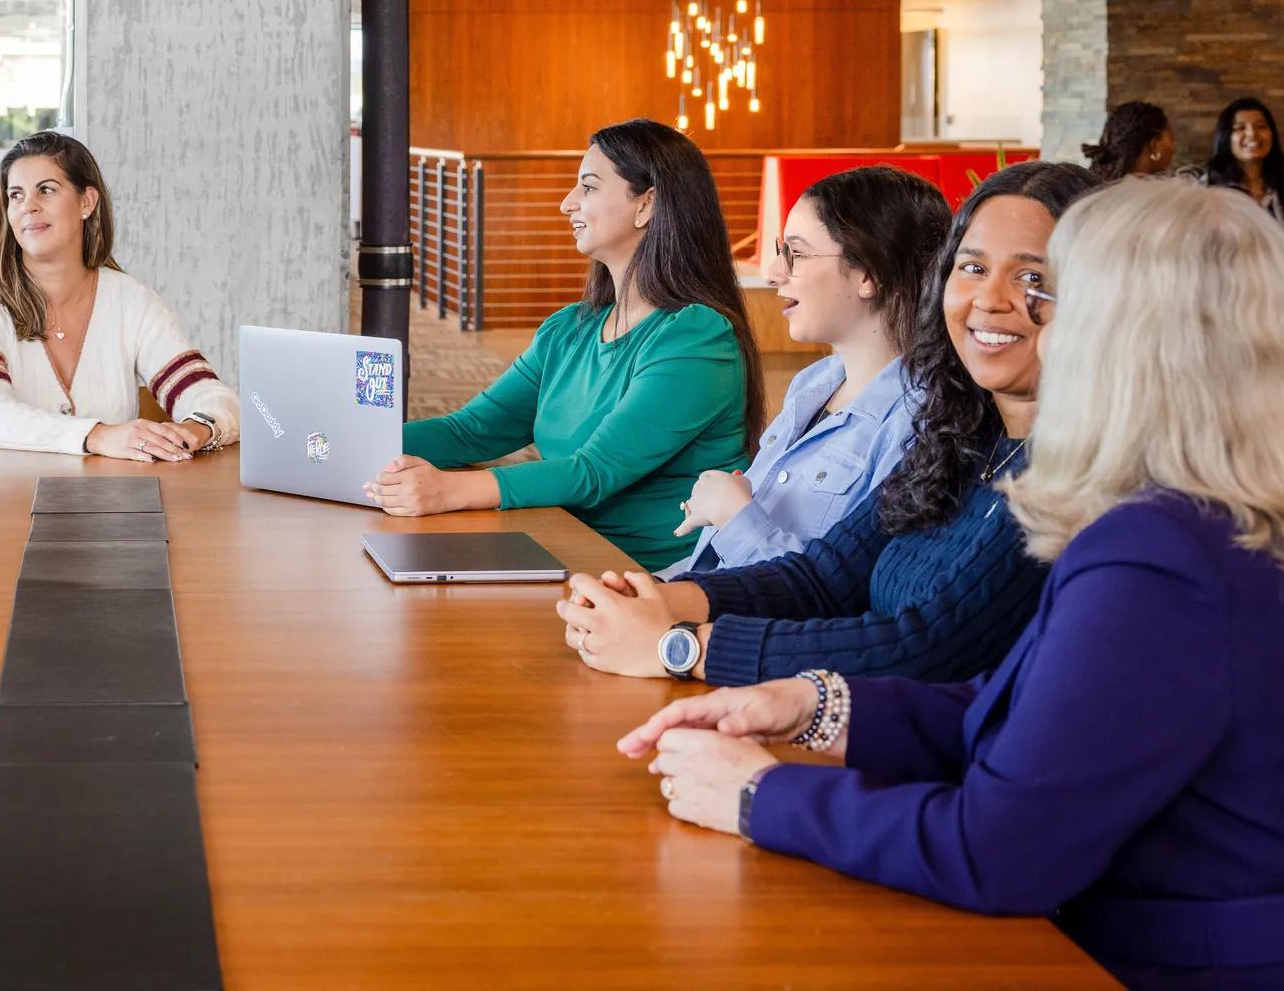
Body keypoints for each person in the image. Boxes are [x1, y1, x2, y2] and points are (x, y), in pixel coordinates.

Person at [622, 177, 1284, 988]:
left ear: (1131, 339)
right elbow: (1033, 712)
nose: (1034, 323)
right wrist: (817, 704)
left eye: (1052, 296)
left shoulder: (1159, 547)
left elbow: (1000, 849)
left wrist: (762, 795)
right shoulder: (1227, 508)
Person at [559, 161, 1099, 684]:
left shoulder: (1079, 469)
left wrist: (679, 645)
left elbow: (922, 647)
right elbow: (824, 577)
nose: (988, 298)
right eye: (973, 268)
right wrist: (657, 598)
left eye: (1031, 277)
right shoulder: (961, 430)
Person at [370, 119, 760, 573]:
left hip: (654, 580)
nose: (567, 203)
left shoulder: (696, 337)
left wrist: (446, 491)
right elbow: (470, 431)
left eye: (589, 188)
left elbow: (594, 472)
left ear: (647, 205)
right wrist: (355, 443)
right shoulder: (569, 330)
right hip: (562, 547)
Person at [663, 165, 951, 576]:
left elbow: (843, 589)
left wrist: (734, 514)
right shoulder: (813, 383)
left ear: (869, 273)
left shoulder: (917, 421)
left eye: (795, 254)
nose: (773, 273)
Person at [0, 130, 238, 459]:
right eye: (16, 195)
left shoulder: (129, 299)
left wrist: (194, 430)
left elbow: (213, 398)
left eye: (46, 190)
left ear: (86, 201)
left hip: (105, 503)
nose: (29, 207)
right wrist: (97, 436)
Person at [1204, 95, 1284, 282]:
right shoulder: (1206, 190)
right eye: (1240, 128)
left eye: (1261, 126)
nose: (1252, 134)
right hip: (1225, 301)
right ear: (1226, 138)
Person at [1079, 99, 1175, 181]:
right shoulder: (1162, 198)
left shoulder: (1089, 191)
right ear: (1154, 146)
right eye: (1172, 141)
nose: (1173, 150)